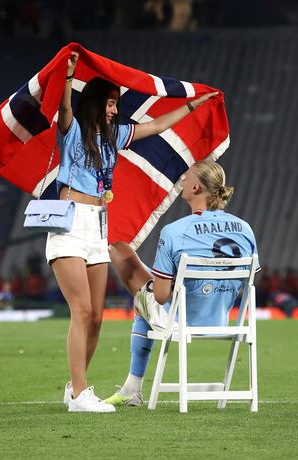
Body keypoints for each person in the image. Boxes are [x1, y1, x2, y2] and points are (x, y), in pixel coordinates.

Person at [48, 50, 218, 412]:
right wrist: (67, 78)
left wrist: (192, 106)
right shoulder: (73, 129)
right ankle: (80, 395)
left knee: (96, 315)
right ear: (95, 102)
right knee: (81, 310)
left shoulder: (114, 136)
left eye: (115, 104)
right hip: (70, 224)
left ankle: (74, 386)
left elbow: (155, 126)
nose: (114, 110)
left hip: (98, 227)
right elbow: (64, 111)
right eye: (110, 103)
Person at [105, 159, 260, 406]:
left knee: (119, 251)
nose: (182, 182)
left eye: (185, 178)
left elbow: (161, 297)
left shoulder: (175, 231)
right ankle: (130, 389)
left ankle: (132, 388)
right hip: (221, 320)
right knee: (151, 280)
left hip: (180, 320)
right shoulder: (245, 229)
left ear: (196, 188)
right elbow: (247, 281)